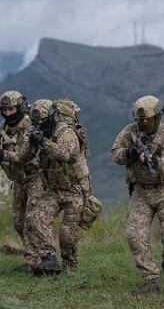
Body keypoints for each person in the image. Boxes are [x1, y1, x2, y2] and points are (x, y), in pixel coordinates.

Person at [112, 95, 164, 295]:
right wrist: (130, 154)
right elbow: (115, 152)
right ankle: (151, 280)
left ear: (158, 117)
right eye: (139, 119)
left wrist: (154, 161)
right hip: (140, 191)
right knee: (135, 236)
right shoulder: (130, 131)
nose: (142, 123)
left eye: (146, 119)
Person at [19, 99, 89, 274]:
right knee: (36, 217)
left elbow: (63, 154)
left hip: (74, 189)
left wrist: (43, 142)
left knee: (67, 235)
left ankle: (69, 266)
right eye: (36, 121)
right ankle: (48, 258)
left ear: (52, 117)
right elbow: (23, 157)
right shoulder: (36, 131)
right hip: (53, 189)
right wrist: (32, 143)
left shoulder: (67, 132)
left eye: (42, 120)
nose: (39, 124)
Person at [0, 90, 32, 272]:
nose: (7, 113)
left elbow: (23, 156)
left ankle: (41, 258)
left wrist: (3, 154)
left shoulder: (30, 126)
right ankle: (31, 257)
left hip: (35, 178)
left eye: (11, 109)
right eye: (4, 110)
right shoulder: (4, 129)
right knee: (18, 221)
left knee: (34, 220)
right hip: (19, 181)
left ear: (19, 107)